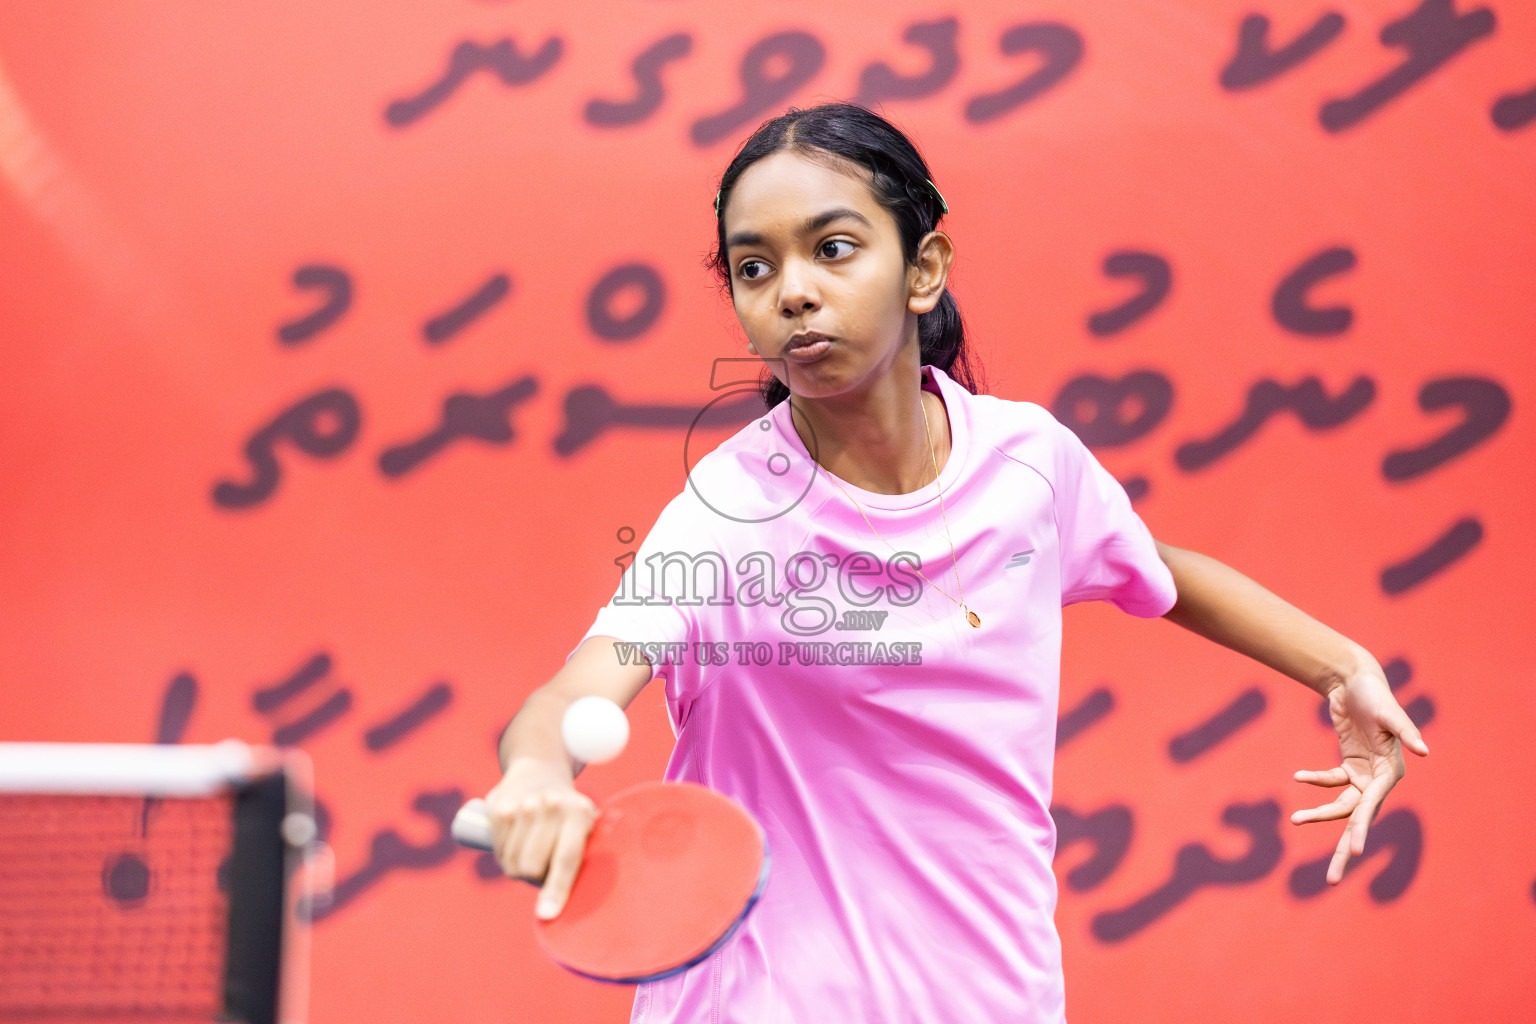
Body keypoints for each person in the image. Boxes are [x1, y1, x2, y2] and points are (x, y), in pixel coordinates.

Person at [483, 103, 1428, 1023]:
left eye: (834, 247)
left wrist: (1341, 668)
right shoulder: (725, 514)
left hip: (990, 996)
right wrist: (534, 776)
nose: (793, 290)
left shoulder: (1027, 463)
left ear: (923, 266)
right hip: (764, 1000)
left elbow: (1158, 569)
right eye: (754, 267)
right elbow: (577, 695)